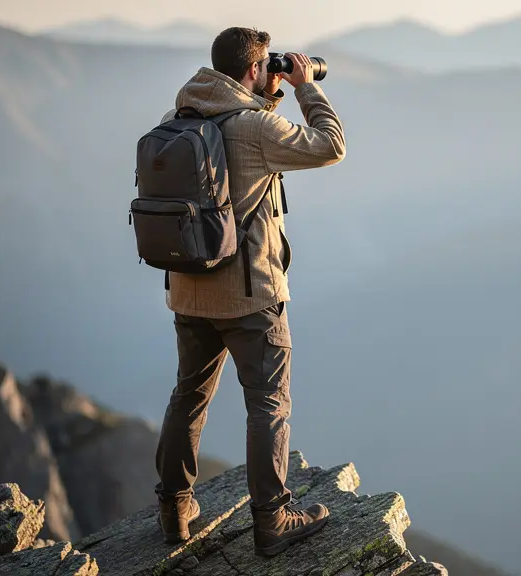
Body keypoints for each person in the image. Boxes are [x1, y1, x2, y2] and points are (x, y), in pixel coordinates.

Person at [152, 26, 345, 557]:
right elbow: (332, 145)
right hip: (249, 297)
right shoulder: (255, 128)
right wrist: (307, 86)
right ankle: (272, 518)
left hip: (189, 292)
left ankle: (174, 508)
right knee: (267, 403)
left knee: (188, 396)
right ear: (255, 70)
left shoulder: (177, 118)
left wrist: (267, 90)